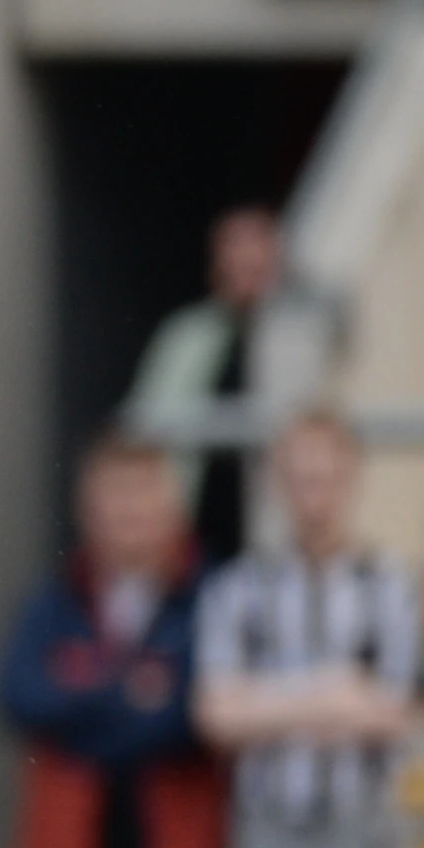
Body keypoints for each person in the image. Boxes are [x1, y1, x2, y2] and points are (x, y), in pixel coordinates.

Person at [190, 407, 421, 848]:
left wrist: (262, 699)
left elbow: (397, 714)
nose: (313, 497)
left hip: (359, 824)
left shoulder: (391, 585)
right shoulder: (238, 588)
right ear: (278, 483)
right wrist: (335, 692)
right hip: (268, 825)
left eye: (325, 479)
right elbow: (216, 717)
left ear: (352, 478)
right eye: (299, 479)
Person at [0, 432, 219, 848]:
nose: (127, 514)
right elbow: (17, 694)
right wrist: (126, 694)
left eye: (140, 496)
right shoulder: (57, 601)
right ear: (87, 509)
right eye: (115, 498)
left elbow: (189, 715)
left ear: (171, 508)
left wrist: (82, 710)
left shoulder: (207, 599)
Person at [125, 204, 294, 577]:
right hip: (197, 529)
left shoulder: (299, 340)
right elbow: (145, 423)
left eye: (256, 258)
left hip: (278, 528)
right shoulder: (186, 336)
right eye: (236, 255)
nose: (246, 269)